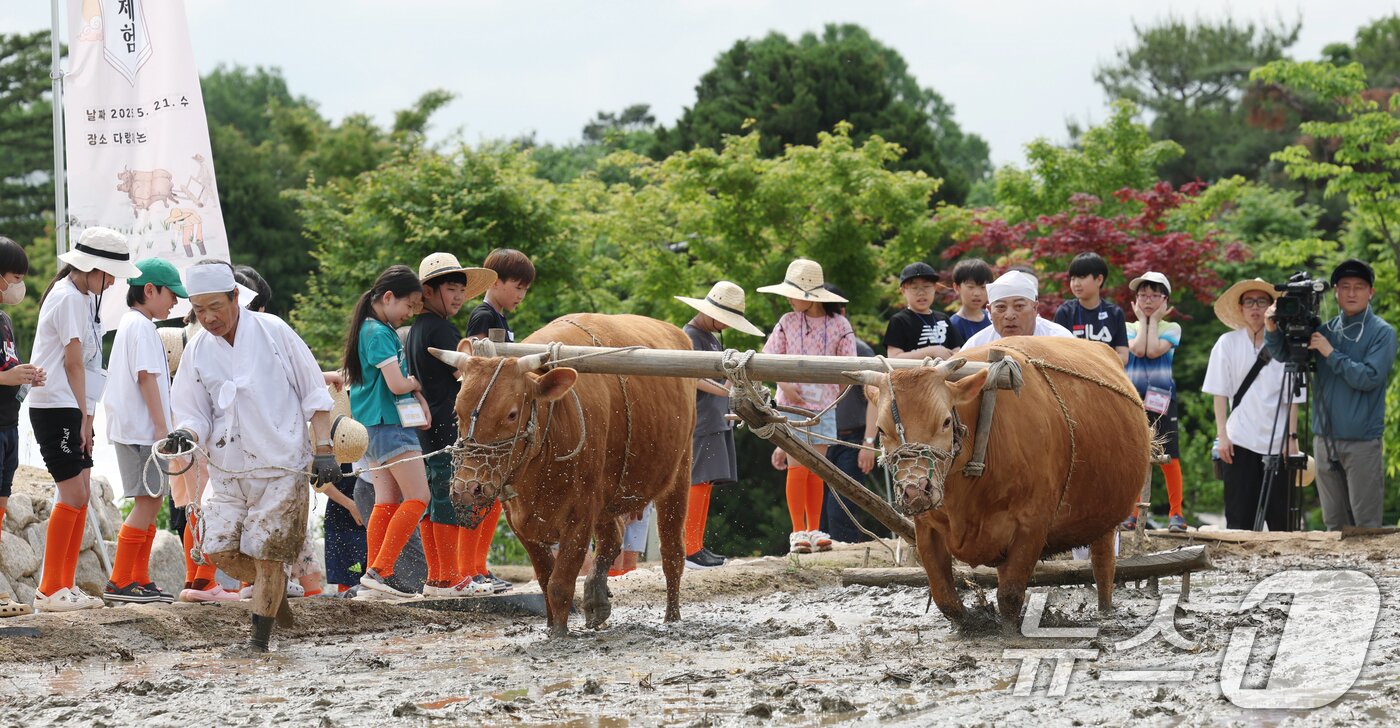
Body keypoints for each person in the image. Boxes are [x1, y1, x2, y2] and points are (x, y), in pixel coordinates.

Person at [163, 260, 339, 651]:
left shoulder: (274, 331)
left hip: (282, 463)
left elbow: (314, 392)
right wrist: (185, 434)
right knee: (217, 548)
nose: (208, 318)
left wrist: (325, 449)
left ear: (235, 297)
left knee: (269, 552)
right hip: (229, 468)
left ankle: (258, 642)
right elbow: (193, 412)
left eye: (216, 307)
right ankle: (272, 594)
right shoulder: (197, 350)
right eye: (199, 310)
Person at [29, 227, 141, 612]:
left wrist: (87, 419)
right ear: (93, 267)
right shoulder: (67, 298)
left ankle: (65, 584)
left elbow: (88, 367)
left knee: (82, 492)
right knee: (74, 494)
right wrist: (82, 417)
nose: (112, 283)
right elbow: (73, 364)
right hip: (56, 405)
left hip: (73, 406)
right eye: (110, 275)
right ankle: (50, 589)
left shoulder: (83, 298)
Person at [1266, 259, 1397, 530]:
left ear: (1371, 292)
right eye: (1345, 287)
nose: (1351, 293)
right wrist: (1271, 329)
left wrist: (1331, 353)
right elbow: (1286, 355)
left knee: (1365, 524)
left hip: (1362, 442)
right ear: (1335, 292)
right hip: (1324, 440)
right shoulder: (1325, 331)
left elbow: (1369, 378)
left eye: (1359, 287)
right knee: (1333, 523)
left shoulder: (1383, 333)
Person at [407, 252, 496, 597]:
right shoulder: (442, 328)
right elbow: (465, 373)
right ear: (428, 292)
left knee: (434, 499)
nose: (458, 297)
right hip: (447, 421)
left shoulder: (417, 329)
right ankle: (451, 577)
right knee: (448, 496)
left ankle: (437, 577)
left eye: (461, 289)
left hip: (426, 426)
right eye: (450, 289)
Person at [344, 265, 434, 600]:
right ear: (388, 297)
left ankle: (374, 575)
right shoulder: (379, 332)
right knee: (419, 497)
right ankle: (381, 571)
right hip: (390, 425)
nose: (409, 313)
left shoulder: (365, 329)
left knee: (386, 500)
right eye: (408, 305)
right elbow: (396, 384)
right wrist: (416, 383)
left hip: (370, 428)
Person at [102, 258, 187, 603]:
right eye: (171, 294)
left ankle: (138, 577)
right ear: (149, 290)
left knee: (150, 502)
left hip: (140, 431)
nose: (175, 302)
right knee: (147, 501)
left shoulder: (136, 324)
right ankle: (120, 579)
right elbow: (146, 378)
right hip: (142, 432)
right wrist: (163, 431)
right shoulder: (139, 326)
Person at [758, 259, 857, 555]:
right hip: (790, 404)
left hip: (824, 406)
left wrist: (834, 391)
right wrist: (785, 384)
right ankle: (797, 531)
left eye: (793, 293)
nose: (789, 299)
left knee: (818, 468)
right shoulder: (787, 321)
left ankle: (814, 529)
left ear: (810, 296)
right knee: (798, 466)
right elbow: (768, 358)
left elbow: (849, 365)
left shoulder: (840, 325)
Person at [461, 248, 537, 593]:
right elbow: (483, 372)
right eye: (517, 287)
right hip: (484, 424)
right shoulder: (483, 317)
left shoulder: (499, 318)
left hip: (495, 423)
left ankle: (479, 567)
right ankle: (469, 569)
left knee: (490, 498)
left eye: (525, 289)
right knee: (477, 495)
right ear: (495, 283)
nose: (521, 295)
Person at [675, 281, 764, 569]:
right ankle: (688, 548)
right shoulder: (692, 335)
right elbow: (693, 378)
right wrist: (726, 390)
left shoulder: (710, 336)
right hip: (702, 418)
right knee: (698, 480)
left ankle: (696, 544)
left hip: (715, 418)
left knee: (707, 481)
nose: (726, 324)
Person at [1204, 279, 1303, 532]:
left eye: (1261, 301)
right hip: (1239, 440)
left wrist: (1292, 438)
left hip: (1278, 442)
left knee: (1282, 523)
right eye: (1249, 302)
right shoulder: (1227, 343)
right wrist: (1222, 436)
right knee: (1239, 521)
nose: (1255, 307)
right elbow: (1219, 392)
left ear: (1272, 307)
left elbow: (1292, 397)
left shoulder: (1286, 345)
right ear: (1240, 308)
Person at [0, 236, 43, 618]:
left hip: (9, 425)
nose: (19, 286)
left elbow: (8, 367)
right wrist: (7, 377)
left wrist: (26, 376)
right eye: (15, 278)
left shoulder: (5, 321)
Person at [1121, 271, 1184, 531]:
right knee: (1134, 455)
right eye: (1143, 295)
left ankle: (1176, 513)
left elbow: (1153, 350)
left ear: (1165, 300)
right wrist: (1143, 321)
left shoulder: (1172, 328)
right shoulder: (1128, 327)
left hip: (1163, 398)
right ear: (1135, 299)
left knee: (1170, 456)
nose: (1148, 300)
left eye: (1154, 296)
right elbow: (1138, 349)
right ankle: (1131, 513)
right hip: (1132, 398)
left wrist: (1154, 321)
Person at [821, 286, 878, 544]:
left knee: (841, 509)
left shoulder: (860, 350)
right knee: (818, 511)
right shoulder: (810, 347)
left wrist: (869, 443)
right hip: (818, 436)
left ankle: (846, 557)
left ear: (842, 313)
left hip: (851, 439)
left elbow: (875, 399)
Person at [962, 270, 1074, 348]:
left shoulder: (1060, 340)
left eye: (1019, 306)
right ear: (990, 310)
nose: (1009, 315)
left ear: (1035, 308)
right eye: (1001, 307)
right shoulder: (976, 345)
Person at [1054, 252, 1129, 365]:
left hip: (1105, 373)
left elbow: (1123, 355)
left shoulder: (1115, 313)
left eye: (1082, 277)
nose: (1076, 283)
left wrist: (1097, 364)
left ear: (1099, 280)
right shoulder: (1065, 312)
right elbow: (1056, 351)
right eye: (1073, 278)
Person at [884, 262, 964, 360]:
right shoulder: (899, 320)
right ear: (903, 291)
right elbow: (893, 357)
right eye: (914, 288)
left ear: (935, 288)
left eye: (926, 287)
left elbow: (958, 352)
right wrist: (931, 351)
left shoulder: (943, 318)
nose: (921, 293)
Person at [949, 258, 994, 342]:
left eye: (983, 287)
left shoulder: (993, 319)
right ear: (957, 288)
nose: (977, 293)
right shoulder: (953, 325)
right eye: (970, 287)